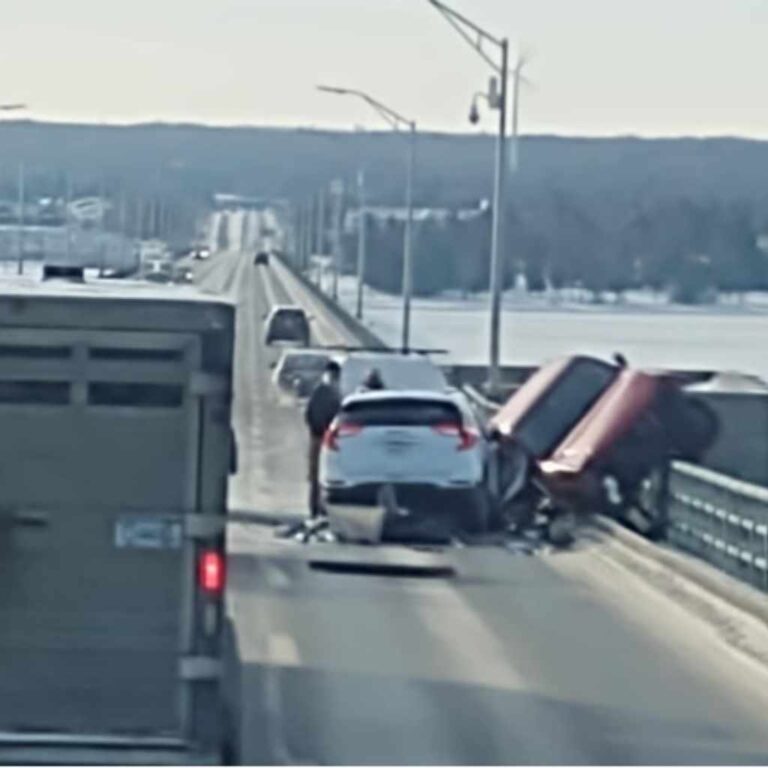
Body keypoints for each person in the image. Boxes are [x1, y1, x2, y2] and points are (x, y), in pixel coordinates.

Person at [304, 359, 342, 517]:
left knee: (317, 476)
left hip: (320, 437)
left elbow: (308, 414)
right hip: (323, 438)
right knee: (318, 476)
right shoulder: (331, 393)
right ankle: (316, 508)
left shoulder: (322, 391)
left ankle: (316, 508)